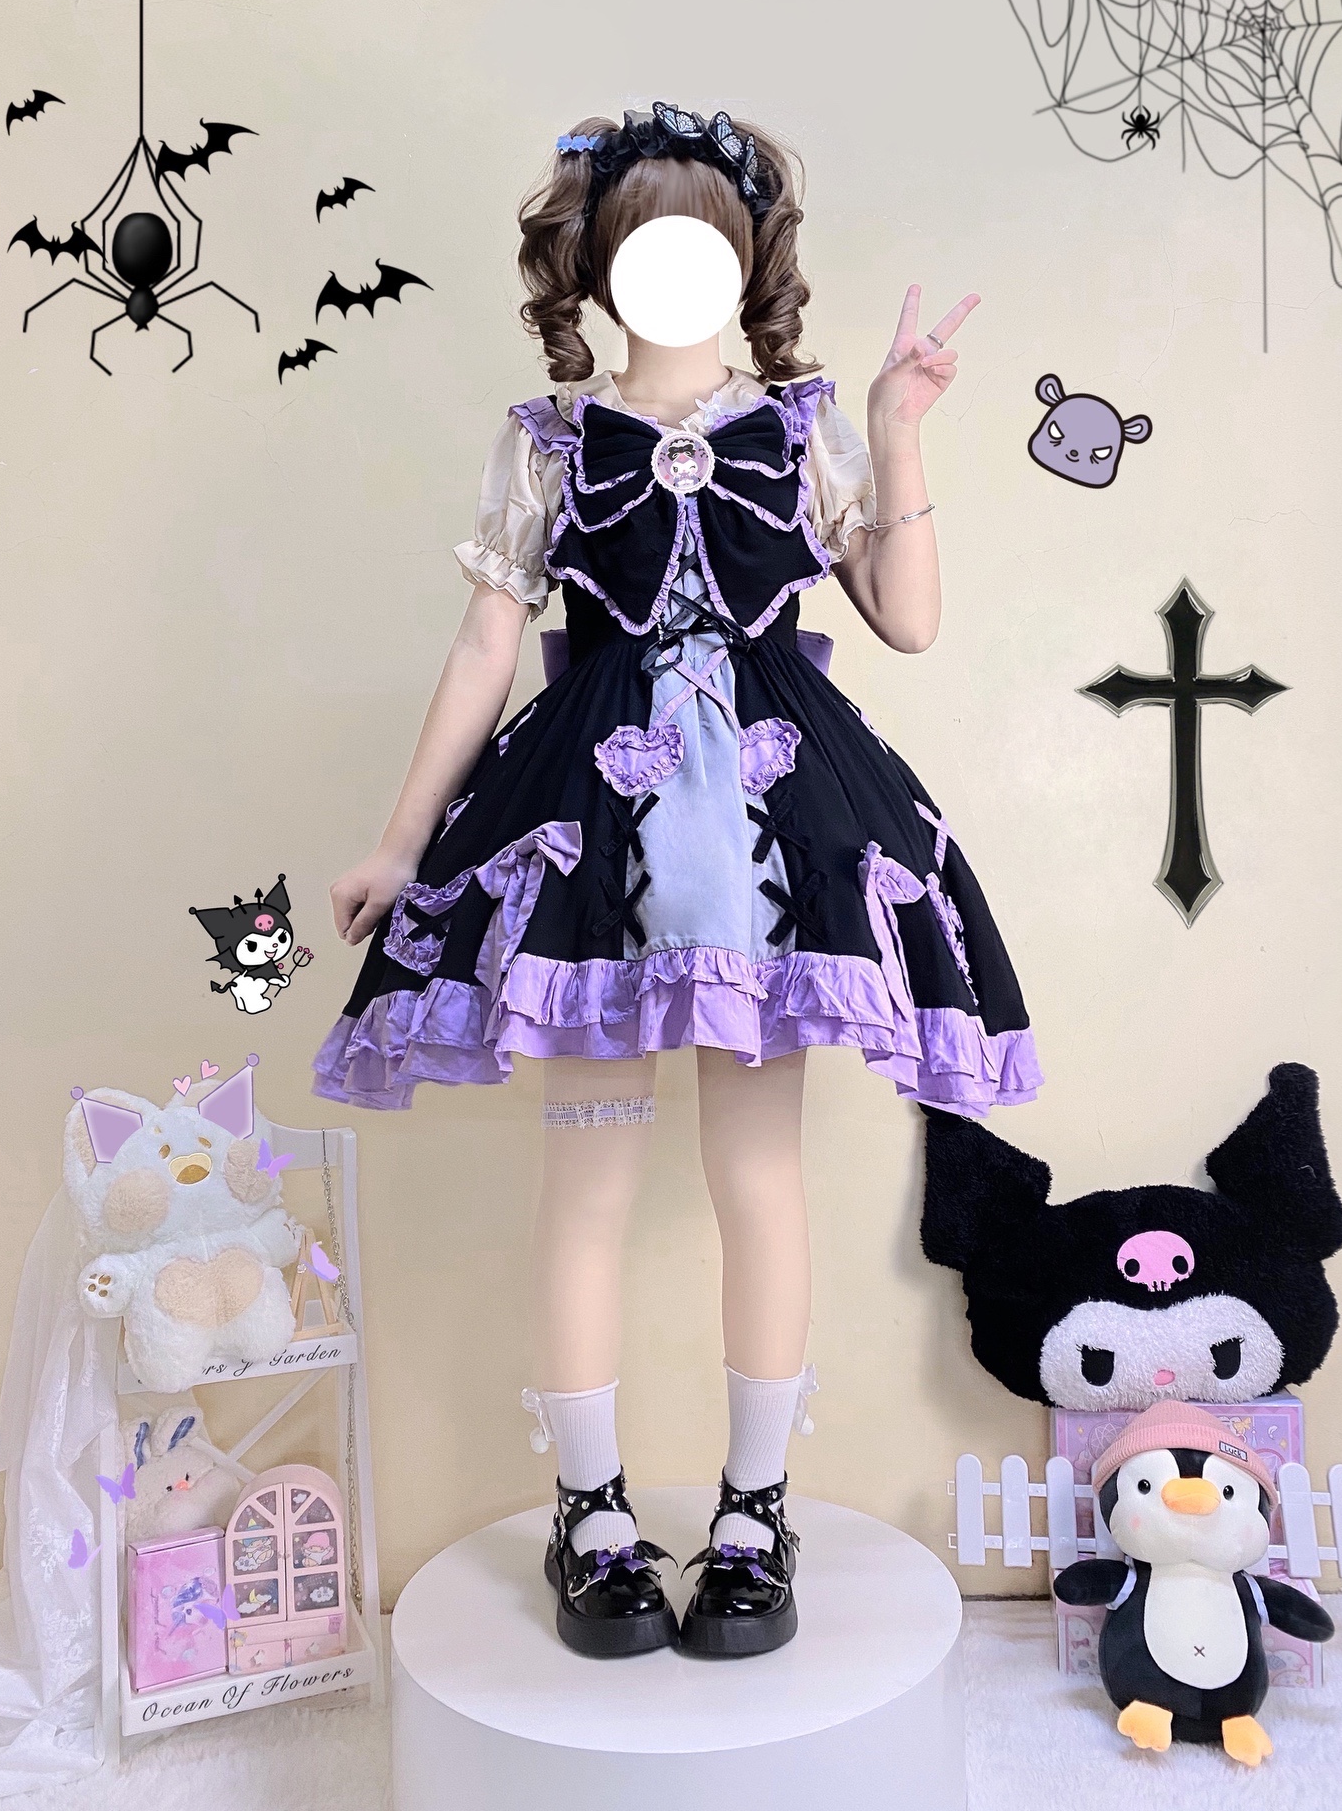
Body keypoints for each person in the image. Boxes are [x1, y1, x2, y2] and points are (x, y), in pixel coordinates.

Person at [314, 103, 1041, 1658]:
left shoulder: (805, 427)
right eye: (642, 241)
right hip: (596, 835)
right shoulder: (551, 441)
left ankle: (754, 1513)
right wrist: (399, 839)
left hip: (777, 840)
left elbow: (907, 619)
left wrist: (902, 425)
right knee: (586, 1178)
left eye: (701, 242)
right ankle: (590, 1513)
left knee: (755, 1179)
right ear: (590, 265)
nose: (672, 267)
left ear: (743, 262)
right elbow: (485, 645)